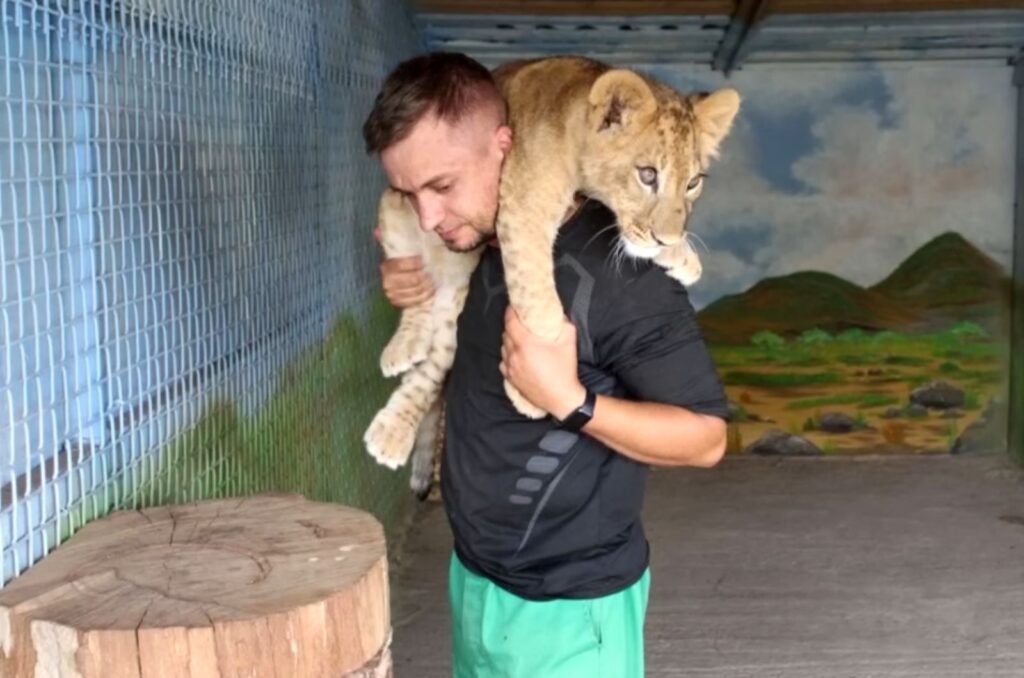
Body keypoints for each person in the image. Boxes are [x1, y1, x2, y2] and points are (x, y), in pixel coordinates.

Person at [362, 52, 730, 677]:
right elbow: (431, 252)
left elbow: (706, 439)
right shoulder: (485, 238)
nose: (429, 215)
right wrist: (412, 267)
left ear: (504, 145)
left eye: (443, 187)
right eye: (408, 192)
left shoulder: (622, 277)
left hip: (570, 612)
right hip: (476, 581)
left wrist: (572, 400)